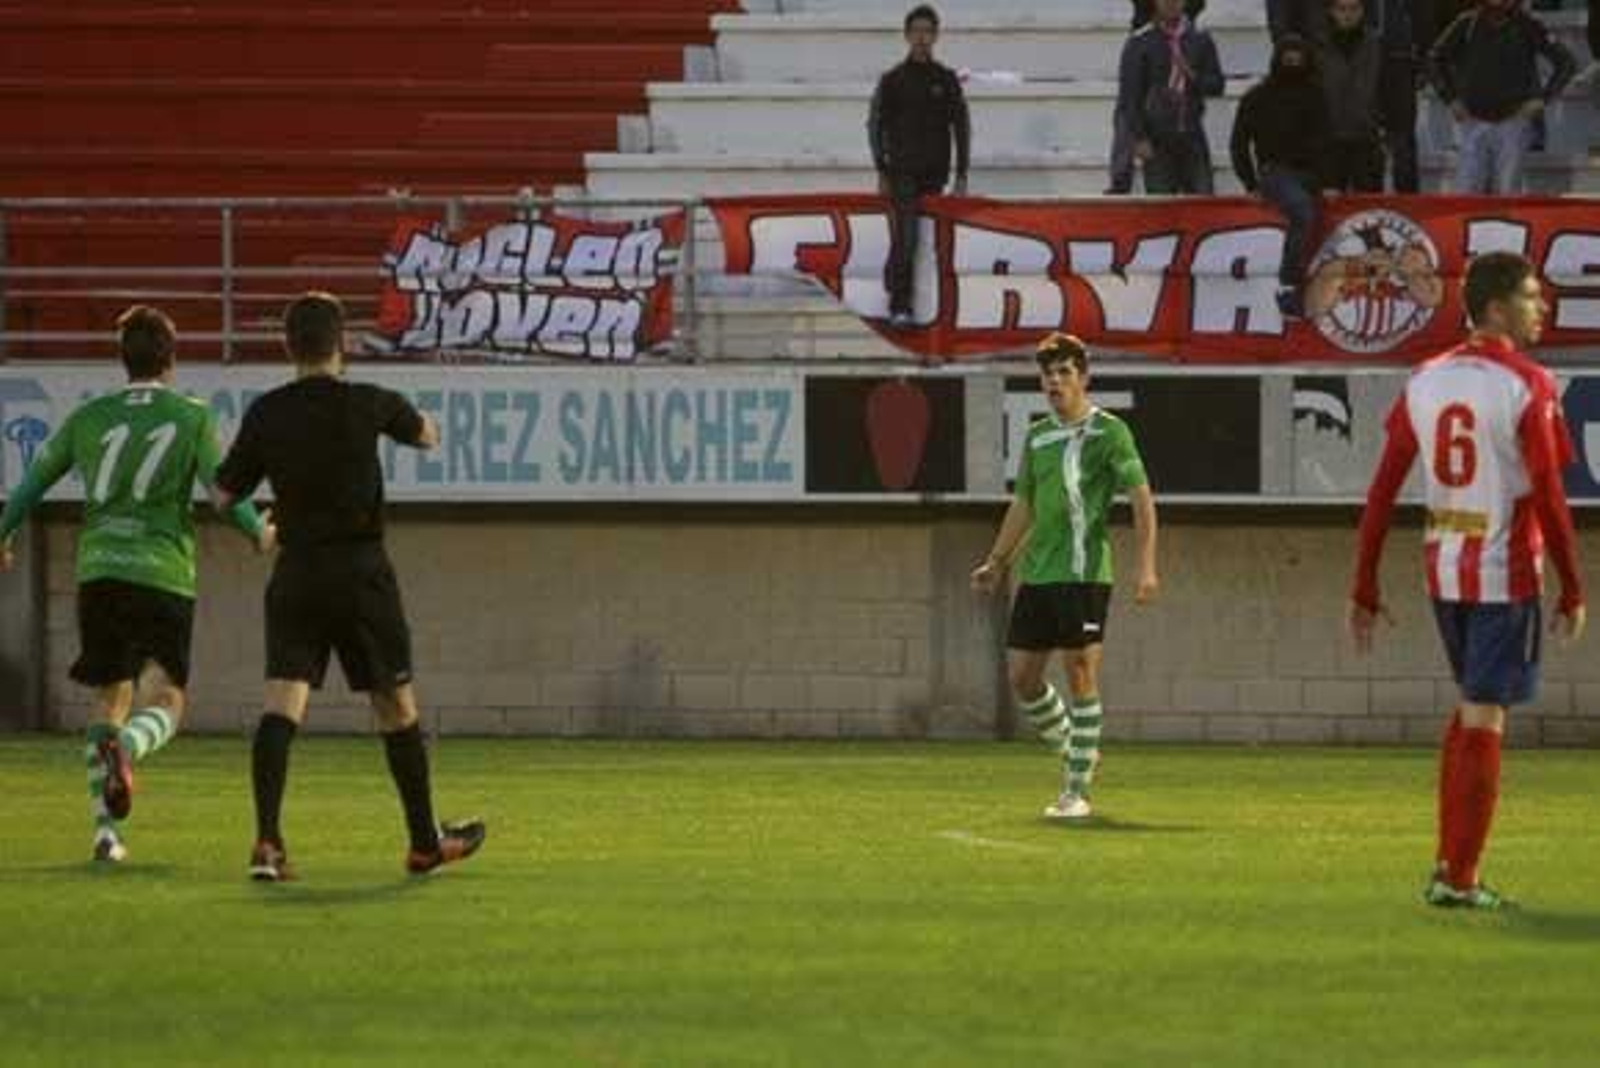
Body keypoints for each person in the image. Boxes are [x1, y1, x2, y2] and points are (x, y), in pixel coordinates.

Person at [213, 292, 485, 882]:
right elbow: (427, 435)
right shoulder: (368, 401)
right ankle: (422, 844)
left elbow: (222, 494)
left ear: (289, 347)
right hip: (361, 573)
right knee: (395, 706)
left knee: (282, 707)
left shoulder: (267, 412)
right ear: (342, 343)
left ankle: (267, 843)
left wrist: (269, 522)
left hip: (297, 574)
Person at [1348, 251, 1585, 911]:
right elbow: (1549, 495)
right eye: (1534, 297)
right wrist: (1573, 585)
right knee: (1485, 715)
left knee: (1471, 710)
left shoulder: (1425, 379)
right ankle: (1461, 877)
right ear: (1500, 307)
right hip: (1503, 574)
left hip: (1441, 571)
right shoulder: (1527, 385)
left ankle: (1449, 864)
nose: (1544, 308)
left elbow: (1381, 489)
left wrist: (1364, 583)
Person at [0, 306, 274, 864]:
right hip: (162, 571)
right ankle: (127, 748)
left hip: (99, 568)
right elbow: (223, 486)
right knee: (168, 697)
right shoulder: (191, 416)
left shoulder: (90, 417)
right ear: (172, 358)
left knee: (110, 694)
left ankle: (105, 834)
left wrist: (2, 532)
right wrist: (257, 533)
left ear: (121, 358)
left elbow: (31, 483)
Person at [971, 333, 1159, 821]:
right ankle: (1080, 749)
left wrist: (1147, 565)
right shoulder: (1037, 436)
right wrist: (998, 560)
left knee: (1080, 671)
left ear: (1083, 378)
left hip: (1085, 575)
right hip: (1039, 575)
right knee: (1023, 677)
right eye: (1048, 374)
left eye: (1064, 373)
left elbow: (1140, 497)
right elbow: (1024, 504)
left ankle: (1075, 791)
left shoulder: (1110, 432)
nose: (1054, 382)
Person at [868, 4, 970, 330]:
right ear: (907, 35)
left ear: (936, 36)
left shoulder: (946, 79)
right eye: (917, 31)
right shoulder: (892, 80)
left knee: (927, 242)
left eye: (928, 31)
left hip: (935, 174)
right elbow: (875, 126)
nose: (922, 37)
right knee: (909, 237)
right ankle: (900, 306)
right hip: (902, 173)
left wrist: (962, 174)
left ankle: (926, 303)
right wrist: (881, 170)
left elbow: (962, 127)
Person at [1429, 0, 1576, 194]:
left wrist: (1542, 99)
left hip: (1514, 123)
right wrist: (1450, 99)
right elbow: (1434, 59)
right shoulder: (1466, 23)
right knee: (1465, 193)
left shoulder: (1529, 24)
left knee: (1507, 195)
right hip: (1471, 122)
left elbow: (1566, 62)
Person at [1230, 34, 1330, 320]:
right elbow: (1239, 143)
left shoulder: (1317, 95)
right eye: (1288, 57)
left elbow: (1328, 140)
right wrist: (1249, 183)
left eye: (1298, 57)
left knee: (1316, 221)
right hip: (1275, 172)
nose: (1293, 62)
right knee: (1301, 210)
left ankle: (1301, 295)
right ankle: (1288, 285)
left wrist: (1330, 180)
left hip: (1311, 174)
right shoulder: (1257, 96)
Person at [1117, 0, 1226, 195]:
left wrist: (1193, 77)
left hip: (1192, 135)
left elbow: (1217, 86)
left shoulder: (1200, 39)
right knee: (1162, 209)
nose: (1170, 4)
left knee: (1202, 203)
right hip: (1157, 139)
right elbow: (1130, 97)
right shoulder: (1140, 41)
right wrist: (1140, 137)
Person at [1315, 0, 1387, 192]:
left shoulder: (1378, 44)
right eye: (1342, 9)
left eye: (1354, 8)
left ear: (1363, 11)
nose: (1348, 14)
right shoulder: (1317, 46)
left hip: (1367, 138)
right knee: (1330, 211)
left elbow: (1388, 86)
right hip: (1329, 139)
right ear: (1332, 11)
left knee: (1369, 209)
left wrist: (1380, 120)